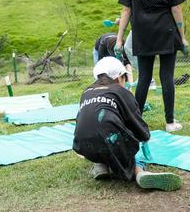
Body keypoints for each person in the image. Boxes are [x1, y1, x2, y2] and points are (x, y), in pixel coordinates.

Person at [73, 56, 182, 191]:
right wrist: (144, 136)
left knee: (99, 135)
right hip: (110, 140)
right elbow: (134, 120)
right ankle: (140, 173)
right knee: (126, 148)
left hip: (82, 145)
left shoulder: (86, 92)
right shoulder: (121, 91)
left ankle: (100, 166)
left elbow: (84, 120)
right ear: (119, 77)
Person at [116, 0, 189, 133]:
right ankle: (170, 122)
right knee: (167, 77)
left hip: (143, 35)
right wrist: (182, 35)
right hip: (166, 34)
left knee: (145, 78)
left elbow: (126, 10)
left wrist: (120, 38)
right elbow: (176, 9)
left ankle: (135, 122)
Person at [113, 0, 157, 90]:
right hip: (153, 23)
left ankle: (148, 79)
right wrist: (123, 21)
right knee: (137, 51)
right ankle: (147, 79)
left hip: (142, 26)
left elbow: (127, 9)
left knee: (128, 47)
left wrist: (119, 38)